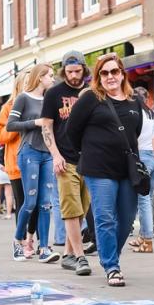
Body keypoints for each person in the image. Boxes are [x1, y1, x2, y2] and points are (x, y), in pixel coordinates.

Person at [66, 53, 144, 287]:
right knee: (105, 218)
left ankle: (112, 257)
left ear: (122, 74)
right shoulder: (91, 98)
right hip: (98, 168)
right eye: (105, 72)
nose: (110, 76)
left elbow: (135, 132)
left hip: (127, 170)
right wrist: (90, 151)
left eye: (115, 71)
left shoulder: (133, 101)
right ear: (99, 76)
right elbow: (72, 131)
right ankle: (111, 266)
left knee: (127, 219)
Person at [42, 51, 95, 275]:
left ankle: (68, 254)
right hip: (65, 159)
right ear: (64, 71)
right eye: (69, 71)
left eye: (77, 70)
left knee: (81, 208)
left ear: (84, 69)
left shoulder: (92, 92)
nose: (74, 75)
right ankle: (81, 257)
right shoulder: (54, 93)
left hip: (90, 159)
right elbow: (46, 126)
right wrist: (55, 155)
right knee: (71, 209)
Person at [7, 63, 62, 264]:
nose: (53, 79)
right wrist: (35, 123)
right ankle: (17, 241)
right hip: (29, 151)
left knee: (45, 203)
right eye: (50, 76)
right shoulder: (23, 98)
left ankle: (44, 248)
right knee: (30, 202)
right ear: (40, 77)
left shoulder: (50, 99)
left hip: (47, 153)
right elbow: (11, 125)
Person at [0, 70, 34, 256]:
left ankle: (35, 242)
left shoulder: (40, 104)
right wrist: (18, 126)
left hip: (39, 160)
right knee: (23, 203)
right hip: (17, 163)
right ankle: (21, 241)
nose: (29, 85)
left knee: (39, 204)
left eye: (31, 81)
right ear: (18, 85)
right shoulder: (9, 107)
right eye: (25, 82)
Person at [129, 86, 154, 252]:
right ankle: (143, 236)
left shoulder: (136, 115)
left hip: (142, 155)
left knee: (143, 199)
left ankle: (147, 239)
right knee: (148, 197)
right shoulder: (151, 114)